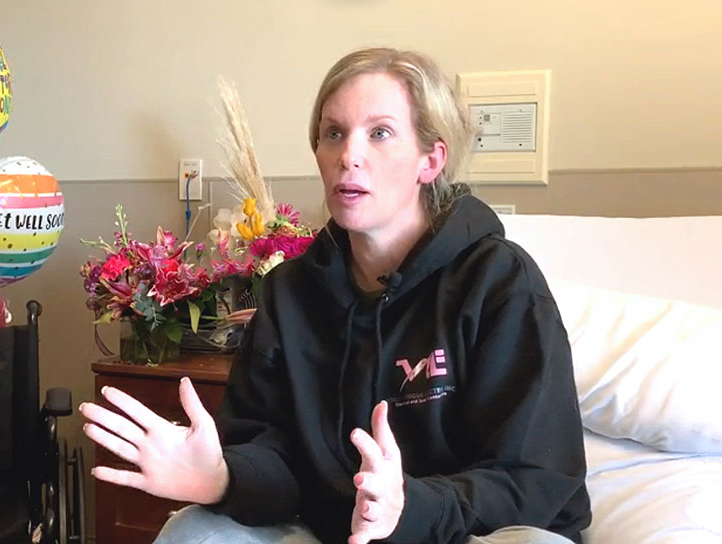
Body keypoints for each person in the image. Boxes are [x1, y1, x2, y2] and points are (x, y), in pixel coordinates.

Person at [80, 47, 591, 544]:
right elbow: (272, 452)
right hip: (328, 530)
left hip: (465, 531)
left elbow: (537, 477)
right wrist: (222, 477)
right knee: (195, 533)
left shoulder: (499, 282)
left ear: (430, 160)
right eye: (334, 133)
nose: (350, 155)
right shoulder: (291, 293)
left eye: (381, 133)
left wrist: (408, 506)